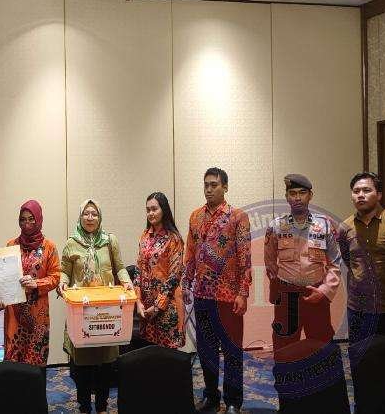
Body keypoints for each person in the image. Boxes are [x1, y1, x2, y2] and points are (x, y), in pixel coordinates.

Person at [264, 174, 343, 410]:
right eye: (292, 193)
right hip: (287, 298)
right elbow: (270, 263)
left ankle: (325, 402)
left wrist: (325, 290)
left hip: (316, 297)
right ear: (287, 197)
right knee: (284, 351)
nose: (297, 198)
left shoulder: (324, 225)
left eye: (302, 193)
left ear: (310, 195)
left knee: (322, 349)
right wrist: (281, 288)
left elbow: (335, 263)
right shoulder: (276, 226)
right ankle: (288, 402)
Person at [182, 168, 251, 414]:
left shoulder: (237, 217)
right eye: (206, 185)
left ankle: (233, 401)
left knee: (232, 350)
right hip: (202, 294)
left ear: (225, 187)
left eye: (214, 185)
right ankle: (211, 397)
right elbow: (190, 253)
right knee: (206, 351)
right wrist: (186, 283)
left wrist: (243, 293)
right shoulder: (195, 217)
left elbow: (245, 257)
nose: (209, 189)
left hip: (229, 296)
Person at [57, 199, 133, 414]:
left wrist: (126, 281)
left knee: (106, 365)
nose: (90, 218)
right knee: (82, 367)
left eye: (94, 214)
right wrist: (62, 282)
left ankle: (101, 406)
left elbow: (120, 267)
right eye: (86, 214)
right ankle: (84, 406)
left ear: (100, 217)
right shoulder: (72, 243)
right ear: (80, 217)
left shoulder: (109, 241)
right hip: (82, 312)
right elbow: (64, 271)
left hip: (107, 312)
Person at [338, 172, 385, 343]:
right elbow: (349, 261)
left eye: (366, 190)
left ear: (379, 195)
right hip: (359, 310)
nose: (360, 195)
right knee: (360, 357)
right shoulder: (345, 227)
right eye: (356, 191)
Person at [0, 200, 60, 367]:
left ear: (39, 219)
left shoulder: (49, 247)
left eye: (31, 219)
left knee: (36, 360)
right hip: (14, 313)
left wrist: (36, 283)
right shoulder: (11, 245)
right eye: (23, 219)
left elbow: (55, 277)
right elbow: (3, 277)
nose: (27, 223)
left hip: (38, 314)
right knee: (13, 361)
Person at [134, 191, 186, 349]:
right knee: (149, 354)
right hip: (146, 308)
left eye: (154, 209)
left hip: (166, 306)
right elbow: (138, 270)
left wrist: (158, 306)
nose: (150, 213)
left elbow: (174, 277)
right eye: (148, 210)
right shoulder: (144, 236)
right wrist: (138, 301)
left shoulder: (174, 238)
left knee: (167, 355)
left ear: (164, 210)